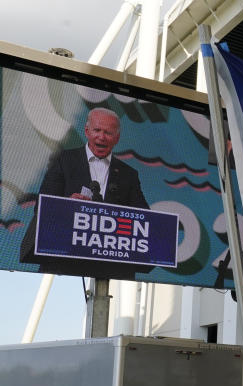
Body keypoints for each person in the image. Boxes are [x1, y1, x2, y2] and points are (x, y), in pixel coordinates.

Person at [21, 107, 150, 279]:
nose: (101, 137)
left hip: (111, 267)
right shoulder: (63, 160)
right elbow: (42, 207)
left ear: (117, 138)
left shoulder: (129, 174)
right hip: (64, 264)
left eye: (108, 133)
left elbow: (144, 220)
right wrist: (67, 204)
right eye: (97, 130)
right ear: (87, 131)